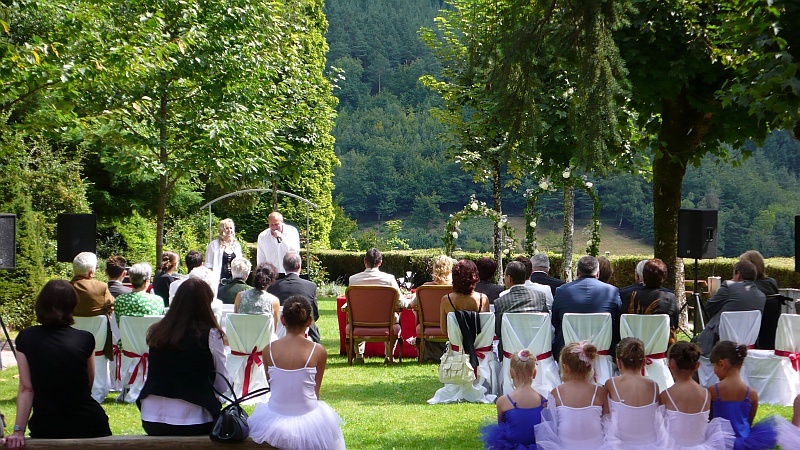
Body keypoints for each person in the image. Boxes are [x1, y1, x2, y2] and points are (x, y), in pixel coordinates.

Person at [6, 280, 111, 446]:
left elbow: (27, 388)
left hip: (47, 424)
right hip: (88, 422)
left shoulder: (26, 337)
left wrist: (18, 430)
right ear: (72, 306)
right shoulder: (85, 338)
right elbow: (88, 384)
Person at [248, 295, 345, 449]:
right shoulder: (318, 351)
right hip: (308, 413)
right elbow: (316, 391)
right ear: (309, 321)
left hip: (274, 414)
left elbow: (272, 385)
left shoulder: (268, 350)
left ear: (283, 320)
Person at [137, 278, 229, 436]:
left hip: (151, 418)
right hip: (193, 420)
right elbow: (222, 383)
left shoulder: (158, 331)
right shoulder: (210, 334)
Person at [660, 341, 735, 450]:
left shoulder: (666, 396)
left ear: (671, 364)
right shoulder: (706, 394)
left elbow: (659, 426)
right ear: (697, 366)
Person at [535, 341, 609, 450]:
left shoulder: (557, 393)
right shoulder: (601, 392)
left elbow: (551, 425)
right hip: (597, 446)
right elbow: (608, 424)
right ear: (590, 367)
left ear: (565, 368)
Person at [708, 340, 777, 450]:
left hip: (719, 444)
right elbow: (748, 422)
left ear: (722, 364)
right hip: (744, 445)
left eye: (714, 366)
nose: (714, 371)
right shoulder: (752, 394)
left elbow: (709, 420)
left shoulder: (712, 392)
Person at [551, 255, 621, 361]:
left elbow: (555, 322)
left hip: (569, 352)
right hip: (603, 352)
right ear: (597, 274)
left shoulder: (562, 291)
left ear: (577, 273)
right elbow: (617, 324)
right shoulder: (612, 291)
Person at [603, 337, 669, 449]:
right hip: (651, 443)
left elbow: (606, 415)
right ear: (644, 362)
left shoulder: (611, 384)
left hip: (620, 444)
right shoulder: (653, 386)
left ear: (618, 362)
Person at [695, 260, 766, 356]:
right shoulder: (761, 296)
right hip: (746, 346)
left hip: (714, 342)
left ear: (738, 274)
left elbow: (708, 307)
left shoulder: (729, 286)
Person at [481, 349, 545, 449]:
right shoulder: (543, 401)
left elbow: (502, 429)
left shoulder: (503, 402)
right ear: (534, 373)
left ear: (511, 373)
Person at [495, 261, 548, 360]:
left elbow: (498, 332)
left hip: (510, 354)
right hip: (536, 352)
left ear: (509, 278)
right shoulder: (540, 297)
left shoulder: (501, 302)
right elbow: (546, 325)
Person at [268, 252, 321, 343]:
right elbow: (314, 314)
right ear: (299, 265)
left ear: (284, 266)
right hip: (305, 331)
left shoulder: (272, 286)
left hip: (279, 333)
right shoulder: (310, 286)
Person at [70, 251, 114, 359]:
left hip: (70, 347)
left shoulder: (65, 289)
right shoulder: (101, 287)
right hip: (98, 349)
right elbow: (112, 307)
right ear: (91, 272)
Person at [621, 258, 680, 331]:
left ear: (643, 276)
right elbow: (675, 324)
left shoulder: (631, 297)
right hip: (662, 338)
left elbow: (622, 322)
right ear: (664, 277)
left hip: (634, 337)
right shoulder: (670, 298)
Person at [439, 259, 490, 336]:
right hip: (480, 343)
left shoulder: (446, 300)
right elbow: (486, 328)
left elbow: (444, 331)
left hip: (455, 343)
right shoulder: (483, 299)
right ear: (474, 277)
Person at [234, 262, 281, 332]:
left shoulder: (240, 296)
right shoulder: (274, 301)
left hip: (242, 338)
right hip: (265, 339)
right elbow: (274, 330)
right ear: (271, 281)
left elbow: (235, 322)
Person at [257, 211, 300, 275]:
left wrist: (282, 239)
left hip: (288, 274)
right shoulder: (263, 236)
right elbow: (261, 259)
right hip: (271, 275)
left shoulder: (292, 232)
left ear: (282, 222)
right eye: (271, 225)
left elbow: (294, 253)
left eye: (276, 224)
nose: (274, 227)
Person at [205, 218, 244, 288]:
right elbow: (208, 266)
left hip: (233, 282)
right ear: (222, 230)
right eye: (227, 228)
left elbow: (240, 264)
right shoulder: (213, 245)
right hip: (218, 281)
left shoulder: (237, 246)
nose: (229, 230)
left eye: (231, 228)